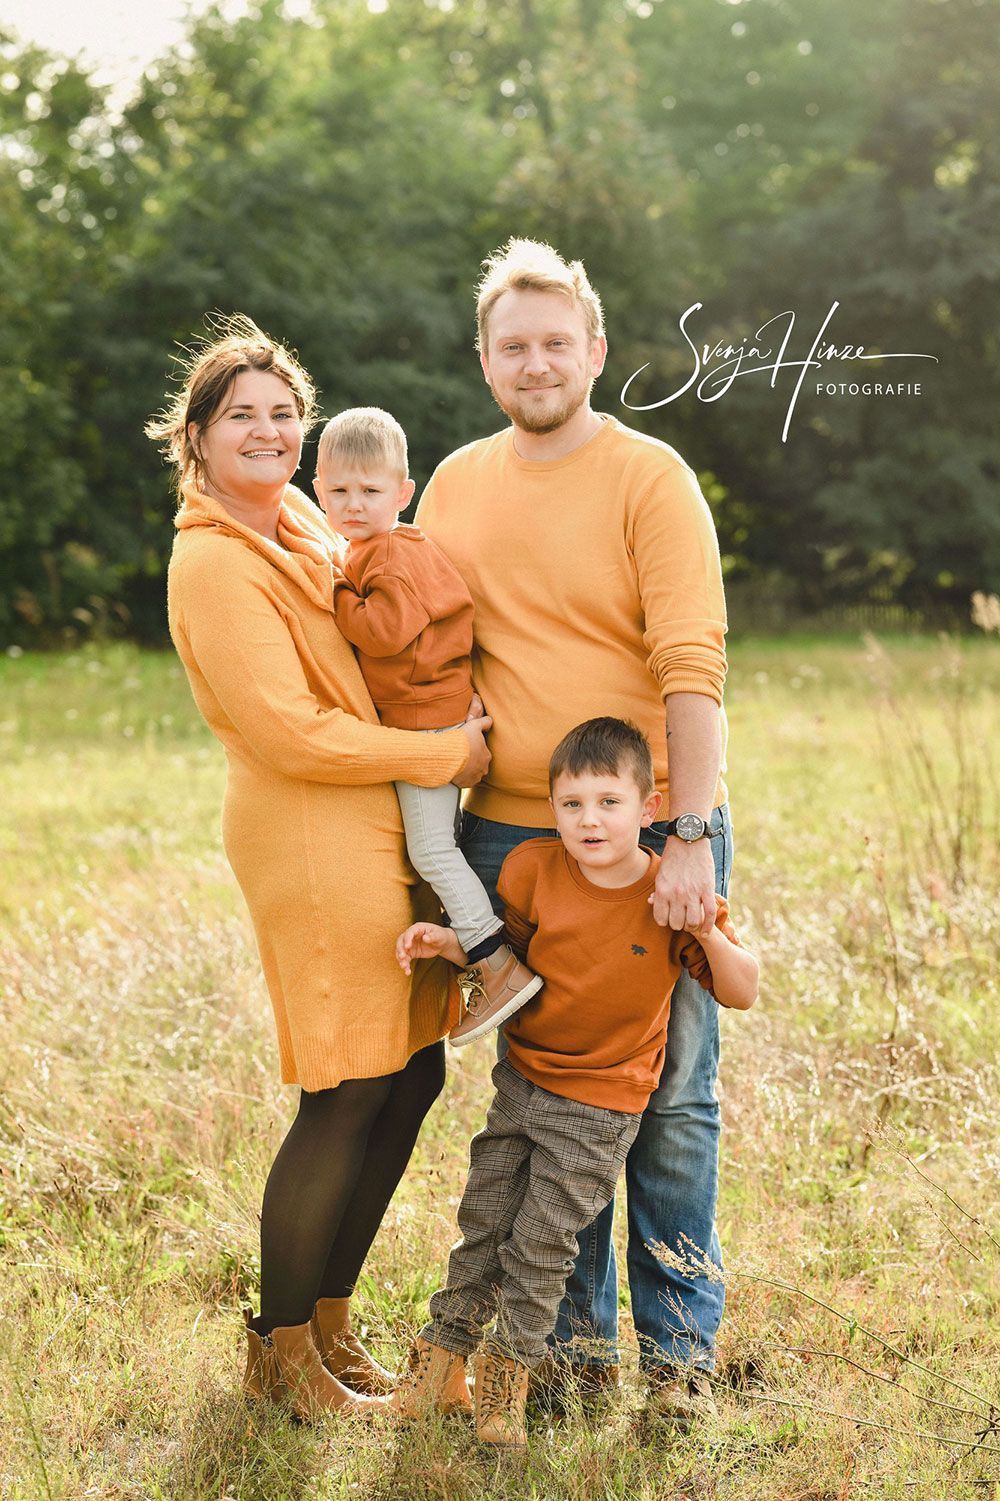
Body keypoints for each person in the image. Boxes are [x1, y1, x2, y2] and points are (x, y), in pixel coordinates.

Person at [147, 315, 493, 1423]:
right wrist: (446, 751)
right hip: (307, 826)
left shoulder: (299, 516)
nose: (266, 430)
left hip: (373, 815)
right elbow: (292, 730)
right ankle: (279, 1350)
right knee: (345, 1084)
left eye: (282, 413)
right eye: (239, 415)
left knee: (412, 1072)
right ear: (195, 438)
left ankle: (331, 1325)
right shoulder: (211, 560)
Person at [416, 238, 733, 1422]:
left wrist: (688, 833)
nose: (536, 361)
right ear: (487, 362)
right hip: (509, 840)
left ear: (595, 351)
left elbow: (691, 664)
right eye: (514, 345)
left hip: (652, 831)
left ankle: (683, 1355)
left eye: (558, 341)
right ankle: (574, 1355)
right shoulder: (451, 483)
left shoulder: (651, 476)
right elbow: (424, 653)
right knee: (549, 1101)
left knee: (671, 1100)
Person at [390, 719, 758, 1451]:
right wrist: (449, 942)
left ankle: (506, 1382)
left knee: (539, 1246)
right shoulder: (532, 867)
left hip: (599, 1107)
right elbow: (509, 946)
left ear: (648, 807)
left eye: (607, 802)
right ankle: (438, 1363)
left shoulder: (666, 889)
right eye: (572, 804)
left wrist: (705, 928)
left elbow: (742, 987)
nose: (589, 820)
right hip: (521, 1082)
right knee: (483, 1220)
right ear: (551, 807)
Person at [316, 406, 541, 1044]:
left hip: (424, 728)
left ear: (403, 493)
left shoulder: (384, 557)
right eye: (339, 491)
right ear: (318, 489)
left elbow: (384, 633)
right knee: (439, 841)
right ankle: (481, 949)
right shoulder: (406, 544)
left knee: (431, 849)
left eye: (371, 491)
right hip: (437, 716)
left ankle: (493, 961)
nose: (354, 505)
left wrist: (333, 593)